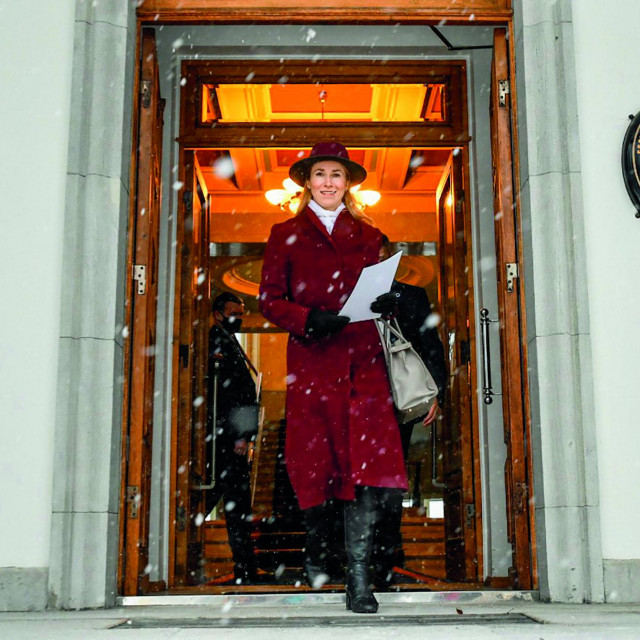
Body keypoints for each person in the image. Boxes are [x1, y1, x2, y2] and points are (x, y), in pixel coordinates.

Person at [259, 141, 408, 613]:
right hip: (314, 366)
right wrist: (307, 319)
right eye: (320, 174)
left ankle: (358, 580)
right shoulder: (284, 233)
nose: (328, 182)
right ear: (307, 181)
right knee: (316, 467)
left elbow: (381, 294)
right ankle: (317, 548)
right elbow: (268, 300)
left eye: (336, 175)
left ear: (347, 183)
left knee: (363, 472)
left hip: (364, 366)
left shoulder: (370, 234)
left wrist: (389, 302)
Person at [369, 235, 448, 588]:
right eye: (370, 257)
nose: (377, 263)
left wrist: (436, 392)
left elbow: (430, 344)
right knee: (357, 483)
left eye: (383, 257)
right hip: (357, 401)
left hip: (398, 400)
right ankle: (358, 557)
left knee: (391, 481)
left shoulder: (413, 296)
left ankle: (388, 556)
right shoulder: (344, 296)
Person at [205, 292, 260, 584]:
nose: (238, 319)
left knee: (234, 502)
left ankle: (245, 567)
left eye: (241, 313)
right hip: (225, 438)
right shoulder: (217, 341)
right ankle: (244, 567)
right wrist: (240, 436)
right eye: (233, 313)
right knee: (234, 502)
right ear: (218, 313)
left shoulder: (228, 341)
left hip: (227, 436)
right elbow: (233, 393)